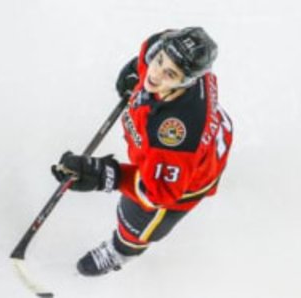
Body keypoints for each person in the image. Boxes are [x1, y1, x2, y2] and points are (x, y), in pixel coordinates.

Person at [51, 27, 233, 276]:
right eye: (159, 61)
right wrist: (137, 69)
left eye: (170, 73)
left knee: (136, 218)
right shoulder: (165, 47)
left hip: (186, 177)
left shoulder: (174, 136)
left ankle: (120, 252)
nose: (155, 75)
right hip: (193, 145)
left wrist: (106, 175)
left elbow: (159, 193)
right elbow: (151, 48)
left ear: (187, 81)